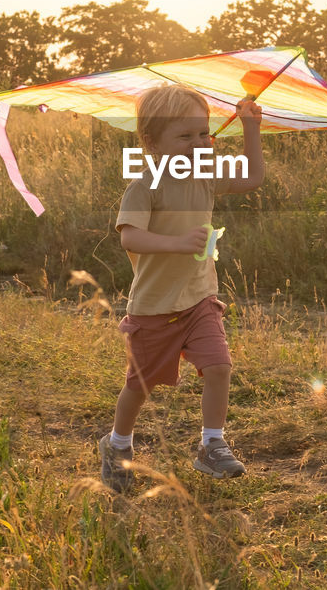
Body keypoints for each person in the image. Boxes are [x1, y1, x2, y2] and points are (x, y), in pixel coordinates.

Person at [99, 84, 264, 493]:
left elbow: (253, 177)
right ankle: (117, 445)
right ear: (152, 142)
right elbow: (129, 237)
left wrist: (250, 127)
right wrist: (176, 243)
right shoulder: (145, 184)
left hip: (200, 299)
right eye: (185, 135)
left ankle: (212, 444)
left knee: (220, 367)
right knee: (139, 387)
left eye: (204, 133)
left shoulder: (208, 174)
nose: (199, 143)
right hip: (154, 308)